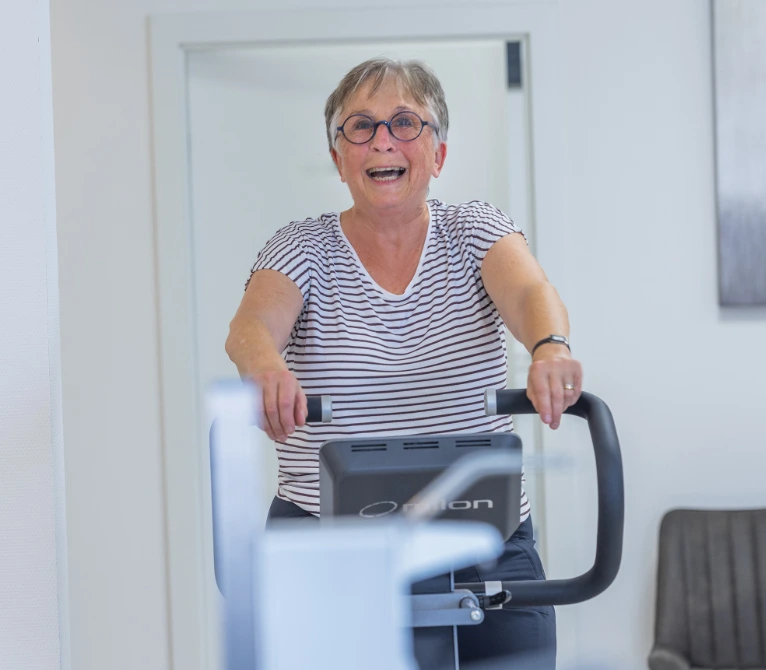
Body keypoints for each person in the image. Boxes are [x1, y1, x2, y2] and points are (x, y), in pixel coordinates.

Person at [226, 57, 582, 667]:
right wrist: (266, 367)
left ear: (437, 155)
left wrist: (549, 346)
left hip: (482, 537)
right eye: (359, 126)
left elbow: (528, 292)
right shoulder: (302, 246)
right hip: (326, 540)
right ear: (339, 159)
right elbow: (252, 327)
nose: (381, 140)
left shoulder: (474, 229)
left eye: (403, 123)